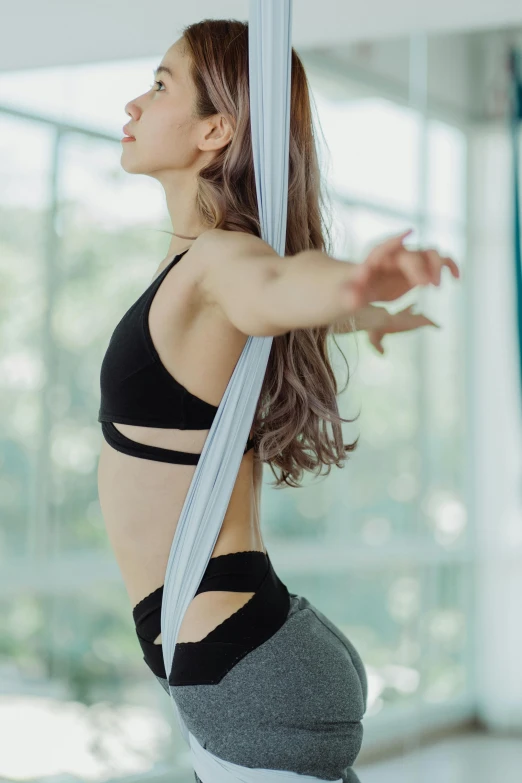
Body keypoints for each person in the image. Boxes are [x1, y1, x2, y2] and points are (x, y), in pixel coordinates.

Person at [97, 19, 459, 783]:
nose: (132, 103)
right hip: (248, 652)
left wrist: (351, 283)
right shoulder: (196, 262)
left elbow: (275, 285)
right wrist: (350, 301)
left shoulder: (221, 258)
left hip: (243, 668)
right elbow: (278, 291)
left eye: (160, 84)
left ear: (215, 128)